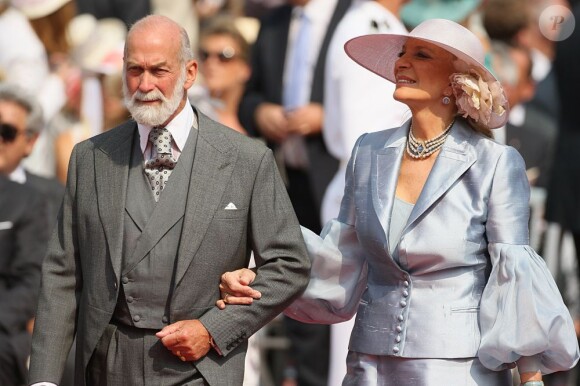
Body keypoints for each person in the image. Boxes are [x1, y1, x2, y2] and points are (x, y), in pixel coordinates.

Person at [218, 18, 580, 385]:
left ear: (457, 81)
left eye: (421, 55)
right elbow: (341, 258)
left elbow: (513, 272)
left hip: (457, 368)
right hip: (368, 365)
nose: (402, 63)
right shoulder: (368, 151)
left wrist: (531, 377)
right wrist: (266, 276)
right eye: (401, 54)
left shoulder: (495, 163)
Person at [27, 14, 310, 386]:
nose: (145, 84)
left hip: (201, 367)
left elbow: (290, 264)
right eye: (134, 70)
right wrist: (44, 380)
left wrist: (213, 330)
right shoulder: (91, 157)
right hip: (106, 367)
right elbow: (62, 272)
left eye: (158, 70)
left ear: (189, 73)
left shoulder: (246, 159)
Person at [238, 0, 351, 384]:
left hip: (339, 181)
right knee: (298, 292)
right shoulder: (273, 24)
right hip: (287, 181)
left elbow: (376, 94)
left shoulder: (354, 16)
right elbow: (248, 97)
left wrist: (328, 115)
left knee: (341, 294)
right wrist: (260, 113)